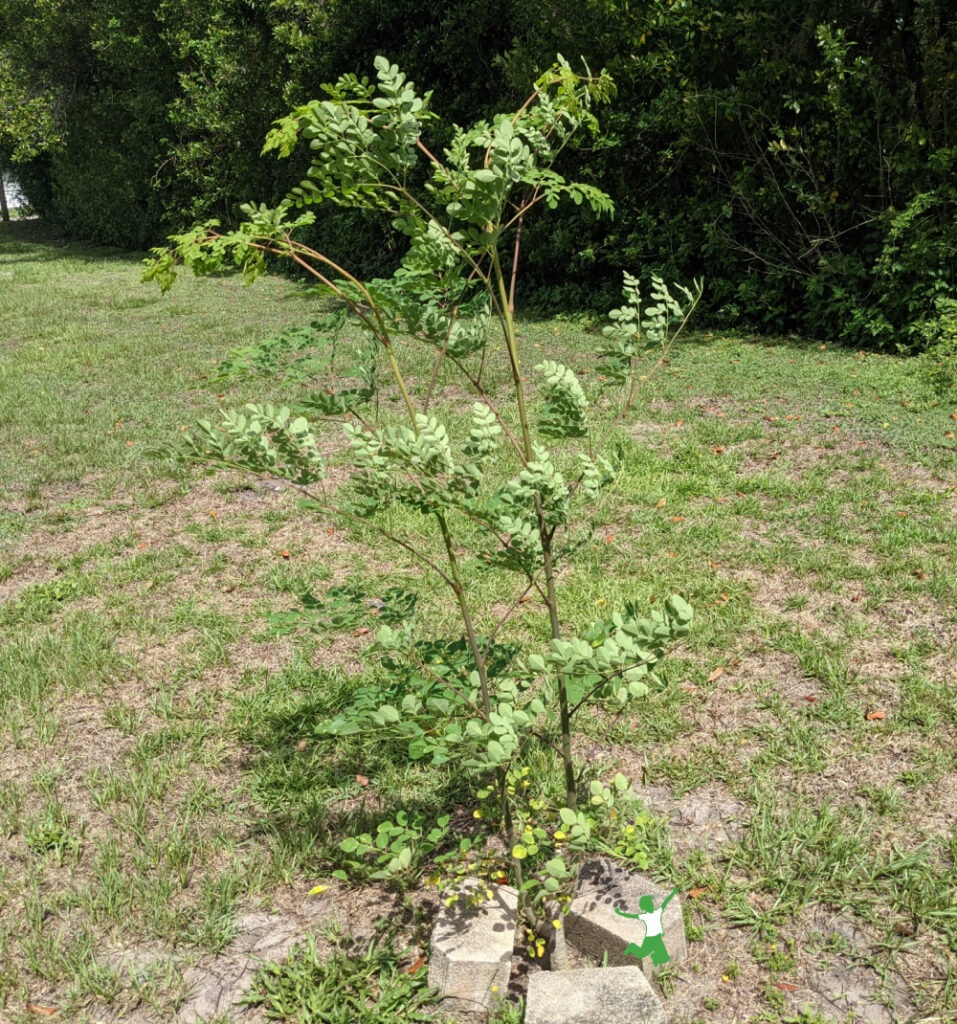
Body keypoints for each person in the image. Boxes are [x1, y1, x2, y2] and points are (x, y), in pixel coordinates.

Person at [615, 888, 678, 965]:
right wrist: (620, 913)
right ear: (645, 907)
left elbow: (665, 902)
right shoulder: (645, 916)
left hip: (657, 937)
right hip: (650, 939)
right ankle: (632, 947)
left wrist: (672, 894)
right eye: (648, 904)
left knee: (665, 958)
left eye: (651, 903)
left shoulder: (657, 912)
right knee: (642, 954)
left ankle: (655, 957)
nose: (651, 905)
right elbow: (631, 916)